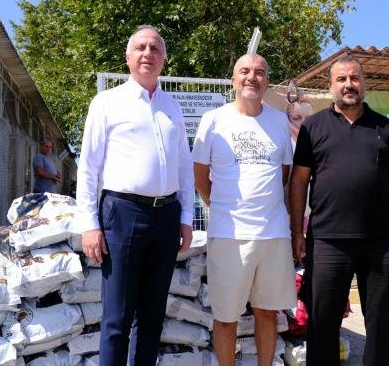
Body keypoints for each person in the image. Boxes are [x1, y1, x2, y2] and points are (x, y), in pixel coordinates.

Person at [288, 53, 389, 366]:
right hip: (327, 240)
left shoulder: (384, 127)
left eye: (354, 78)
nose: (349, 84)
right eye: (342, 79)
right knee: (322, 322)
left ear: (364, 83)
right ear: (331, 85)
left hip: (379, 241)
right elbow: (298, 182)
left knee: (384, 322)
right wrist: (298, 231)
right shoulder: (313, 127)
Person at [75, 25, 194, 366]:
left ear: (164, 60)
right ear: (128, 57)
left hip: (166, 216)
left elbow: (184, 167)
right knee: (117, 319)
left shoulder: (172, 106)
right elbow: (88, 167)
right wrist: (89, 225)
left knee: (153, 317)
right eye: (140, 47)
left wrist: (185, 218)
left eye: (155, 49)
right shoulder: (107, 102)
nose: (147, 54)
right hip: (122, 214)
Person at [193, 54, 296, 366]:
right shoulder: (213, 120)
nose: (253, 77)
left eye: (260, 72)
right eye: (245, 71)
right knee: (226, 317)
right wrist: (222, 207)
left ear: (266, 81)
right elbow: (200, 176)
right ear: (233, 80)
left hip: (274, 234)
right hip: (229, 235)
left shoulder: (279, 121)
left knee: (268, 312)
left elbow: (285, 175)